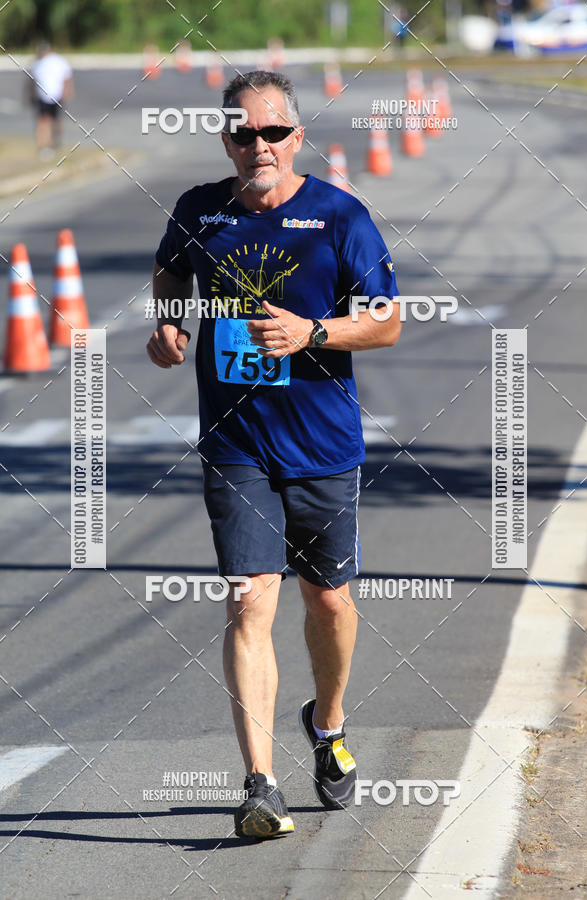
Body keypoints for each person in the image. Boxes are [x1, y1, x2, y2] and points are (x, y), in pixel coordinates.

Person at [147, 70, 401, 838]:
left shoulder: (338, 216)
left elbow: (386, 321)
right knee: (250, 597)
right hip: (236, 446)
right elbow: (169, 269)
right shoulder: (200, 210)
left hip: (323, 444)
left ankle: (326, 726)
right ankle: (259, 784)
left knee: (326, 600)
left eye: (274, 132)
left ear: (298, 136)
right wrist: (167, 323)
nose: (260, 146)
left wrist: (314, 333)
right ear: (226, 140)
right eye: (244, 134)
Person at [28, 42, 73, 157]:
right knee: (46, 120)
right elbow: (33, 81)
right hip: (46, 95)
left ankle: (52, 143)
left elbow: (66, 77)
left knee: (52, 120)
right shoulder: (39, 63)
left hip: (54, 95)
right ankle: (45, 144)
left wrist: (67, 90)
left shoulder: (55, 61)